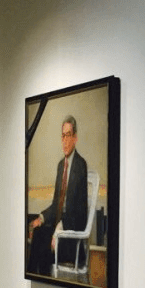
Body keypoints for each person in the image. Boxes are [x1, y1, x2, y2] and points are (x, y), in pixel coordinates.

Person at [27, 115, 88, 276]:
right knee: (38, 230)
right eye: (63, 136)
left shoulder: (80, 166)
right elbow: (56, 204)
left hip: (71, 237)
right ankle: (33, 279)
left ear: (75, 138)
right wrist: (41, 218)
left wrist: (58, 231)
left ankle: (38, 285)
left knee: (42, 242)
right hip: (58, 229)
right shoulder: (61, 166)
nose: (65, 140)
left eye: (68, 135)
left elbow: (80, 214)